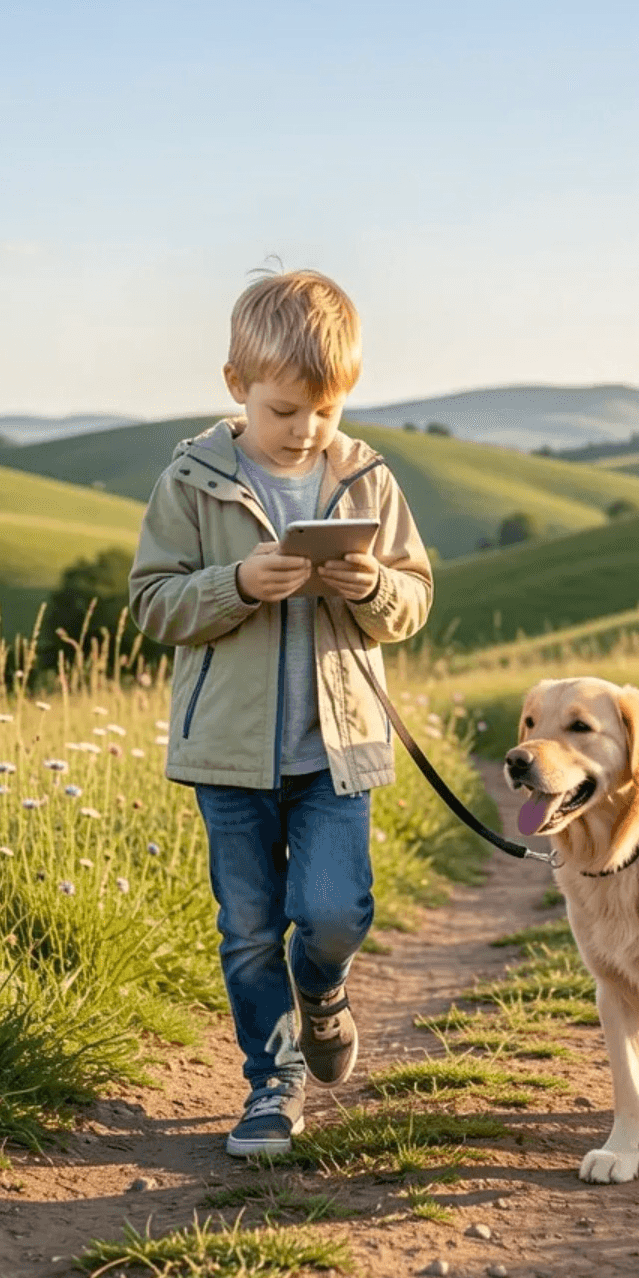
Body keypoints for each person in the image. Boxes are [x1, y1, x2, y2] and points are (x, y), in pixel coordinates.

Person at [129, 269, 432, 1157]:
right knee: (249, 928)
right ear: (237, 388)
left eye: (323, 413)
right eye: (284, 410)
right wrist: (234, 586)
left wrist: (373, 586)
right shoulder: (191, 480)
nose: (305, 431)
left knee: (335, 913)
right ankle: (272, 1084)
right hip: (228, 758)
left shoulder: (368, 478)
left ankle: (325, 990)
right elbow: (152, 602)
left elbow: (414, 600)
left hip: (338, 750)